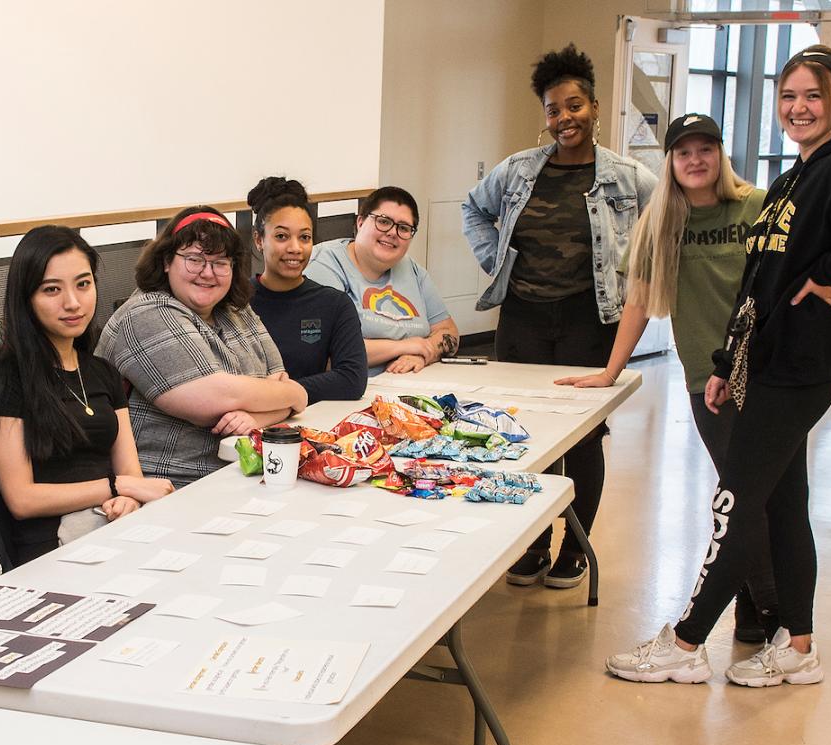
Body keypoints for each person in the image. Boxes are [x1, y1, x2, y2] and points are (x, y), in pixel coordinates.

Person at [607, 45, 831, 686]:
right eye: (788, 96)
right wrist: (728, 362)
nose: (799, 107)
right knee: (781, 506)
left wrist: (829, 275)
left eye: (813, 95)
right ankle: (799, 647)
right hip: (764, 361)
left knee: (735, 501)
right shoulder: (792, 183)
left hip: (800, 366)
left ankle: (686, 643)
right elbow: (760, 281)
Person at [554, 114, 783, 644]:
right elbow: (637, 300)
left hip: (767, 374)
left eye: (706, 149)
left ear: (721, 155)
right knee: (742, 492)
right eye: (684, 153)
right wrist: (611, 372)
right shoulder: (661, 222)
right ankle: (757, 605)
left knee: (757, 494)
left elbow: (788, 269)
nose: (695, 160)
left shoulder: (755, 205)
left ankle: (766, 608)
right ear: (671, 162)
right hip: (709, 379)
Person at [461, 44, 657, 590]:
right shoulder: (519, 168)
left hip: (589, 319)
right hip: (522, 316)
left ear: (594, 107)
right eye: (553, 109)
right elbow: (472, 209)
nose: (563, 118)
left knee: (582, 436)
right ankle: (529, 545)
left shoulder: (627, 175)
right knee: (522, 432)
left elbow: (663, 224)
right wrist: (494, 257)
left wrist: (635, 275)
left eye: (574, 106)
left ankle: (575, 544)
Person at [0, 226, 174, 560]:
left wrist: (127, 497)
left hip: (111, 526)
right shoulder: (3, 379)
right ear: (26, 298)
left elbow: (131, 473)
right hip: (51, 547)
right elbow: (21, 499)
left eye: (83, 284)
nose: (73, 302)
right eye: (52, 289)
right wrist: (116, 487)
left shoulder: (102, 372)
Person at [97, 205, 308, 486]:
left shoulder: (235, 309)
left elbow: (280, 379)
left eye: (221, 263)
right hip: (170, 485)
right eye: (195, 259)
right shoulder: (146, 312)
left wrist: (258, 415)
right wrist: (292, 394)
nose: (207, 273)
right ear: (166, 261)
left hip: (243, 474)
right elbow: (214, 401)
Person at [306, 186, 460, 375]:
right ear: (360, 222)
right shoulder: (324, 265)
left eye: (404, 228)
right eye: (383, 221)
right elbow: (328, 353)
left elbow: (448, 331)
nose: (393, 233)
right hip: (350, 392)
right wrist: (408, 346)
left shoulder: (412, 270)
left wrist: (423, 353)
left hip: (410, 385)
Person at [244, 176, 367, 402]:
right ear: (259, 239)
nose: (295, 248)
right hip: (239, 421)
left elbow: (352, 379)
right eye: (281, 236)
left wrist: (280, 394)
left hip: (306, 422)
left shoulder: (334, 304)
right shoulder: (237, 301)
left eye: (305, 237)